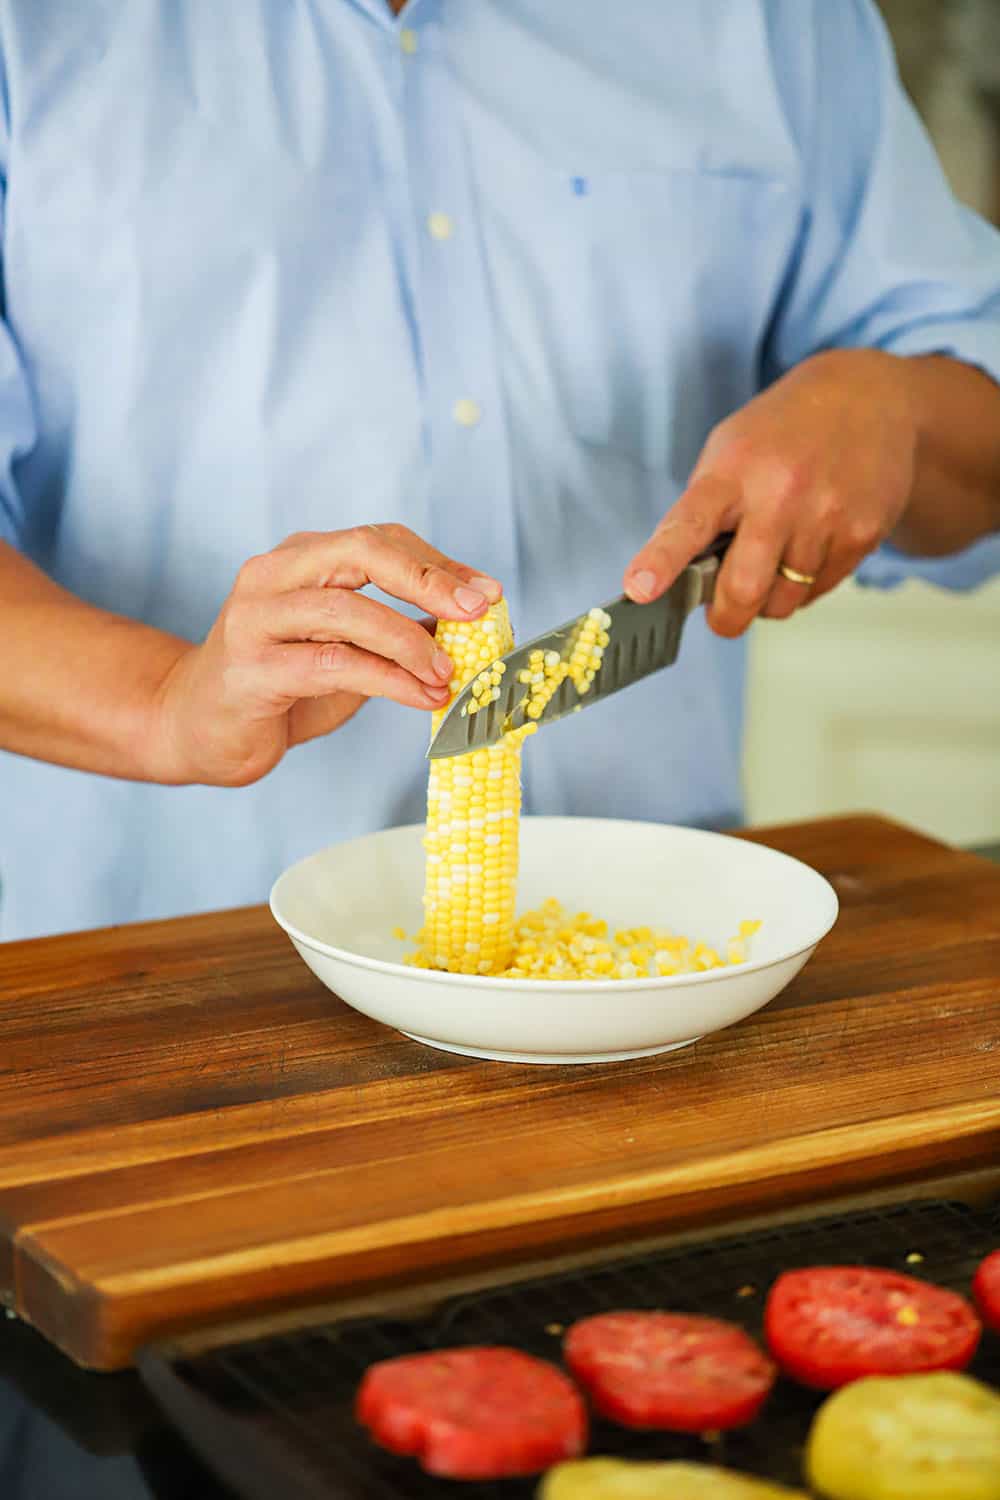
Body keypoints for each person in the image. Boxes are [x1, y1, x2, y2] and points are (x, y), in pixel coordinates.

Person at [1, 0, 999, 943]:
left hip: (649, 961)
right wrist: (164, 702)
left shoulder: (772, 19)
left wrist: (899, 408)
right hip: (156, 978)